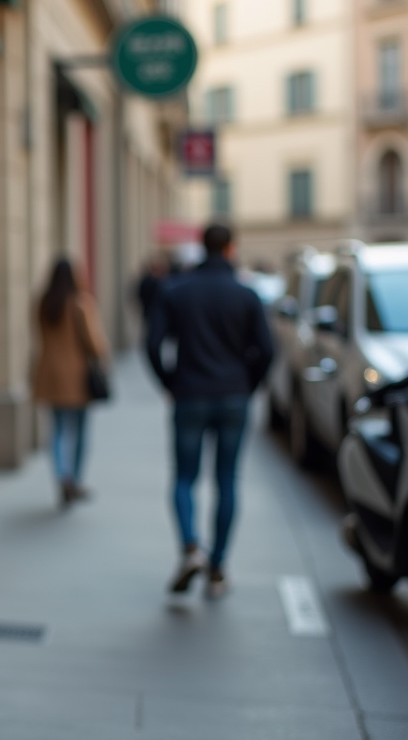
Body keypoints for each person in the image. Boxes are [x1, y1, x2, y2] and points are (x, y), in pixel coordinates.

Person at [145, 223, 273, 597]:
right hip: (234, 395)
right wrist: (248, 385)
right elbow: (266, 351)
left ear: (202, 248)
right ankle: (217, 568)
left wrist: (169, 383)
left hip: (189, 394)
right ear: (231, 249)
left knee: (185, 477)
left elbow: (152, 345)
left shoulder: (176, 291)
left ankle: (189, 548)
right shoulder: (247, 296)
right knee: (227, 480)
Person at [32, 258, 110, 507]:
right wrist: (103, 359)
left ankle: (61, 477)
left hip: (49, 373)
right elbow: (93, 341)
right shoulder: (80, 302)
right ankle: (74, 479)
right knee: (80, 431)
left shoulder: (43, 303)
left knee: (57, 430)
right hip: (77, 375)